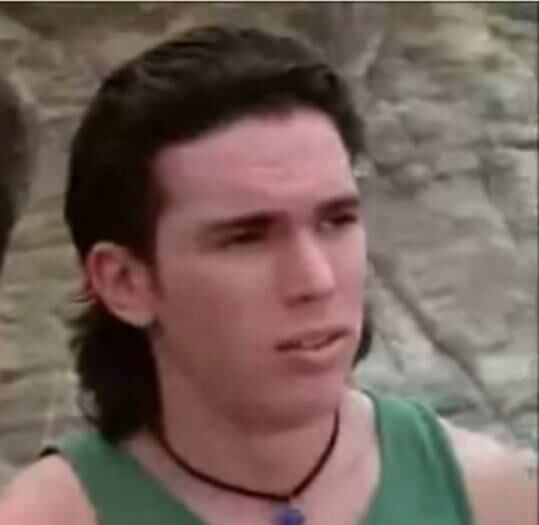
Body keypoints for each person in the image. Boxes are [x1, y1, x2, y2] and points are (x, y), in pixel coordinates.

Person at [0, 24, 535, 525]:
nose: (316, 280)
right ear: (124, 282)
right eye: (246, 238)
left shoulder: (485, 496)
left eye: (336, 220)